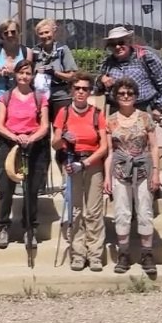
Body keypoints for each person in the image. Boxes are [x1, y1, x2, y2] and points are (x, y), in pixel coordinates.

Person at [94, 26, 162, 185]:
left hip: (142, 108)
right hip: (116, 110)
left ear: (129, 41)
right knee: (117, 150)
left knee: (144, 150)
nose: (118, 46)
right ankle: (118, 187)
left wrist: (160, 107)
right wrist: (101, 80)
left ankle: (150, 186)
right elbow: (96, 89)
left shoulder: (145, 57)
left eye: (121, 42)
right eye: (113, 44)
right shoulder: (107, 63)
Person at [52, 73, 109, 272]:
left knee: (93, 211)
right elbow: (55, 142)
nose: (81, 92)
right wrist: (63, 138)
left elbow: (103, 147)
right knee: (75, 211)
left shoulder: (97, 114)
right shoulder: (64, 113)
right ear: (72, 91)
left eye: (85, 89)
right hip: (71, 161)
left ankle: (94, 255)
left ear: (90, 91)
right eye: (77, 88)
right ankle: (78, 254)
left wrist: (85, 164)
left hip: (92, 164)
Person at [103, 77, 159, 277]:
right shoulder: (110, 120)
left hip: (143, 169)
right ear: (116, 97)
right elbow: (109, 151)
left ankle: (147, 253)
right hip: (120, 169)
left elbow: (153, 146)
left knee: (144, 211)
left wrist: (156, 173)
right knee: (122, 212)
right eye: (121, 94)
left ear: (135, 96)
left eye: (129, 93)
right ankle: (124, 253)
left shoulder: (145, 117)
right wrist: (107, 177)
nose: (125, 96)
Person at [0, 60, 50, 249]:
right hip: (10, 144)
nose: (24, 76)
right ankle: (2, 226)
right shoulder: (5, 97)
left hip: (34, 146)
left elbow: (45, 125)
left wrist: (30, 138)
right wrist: (16, 137)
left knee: (31, 190)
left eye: (28, 73)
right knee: (6, 189)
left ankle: (29, 228)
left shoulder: (40, 98)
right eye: (21, 73)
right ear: (15, 74)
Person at [0, 18, 31, 193]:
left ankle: (18, 178)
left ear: (18, 33)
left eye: (13, 32)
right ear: (1, 35)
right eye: (6, 32)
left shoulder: (26, 52)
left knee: (20, 139)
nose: (10, 35)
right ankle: (0, 181)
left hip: (20, 100)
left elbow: (29, 74)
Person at [29, 19, 79, 126]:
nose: (44, 36)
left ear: (54, 32)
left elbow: (72, 76)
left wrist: (55, 73)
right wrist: (36, 72)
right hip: (40, 97)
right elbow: (27, 74)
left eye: (47, 32)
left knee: (61, 131)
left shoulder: (63, 50)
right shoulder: (34, 51)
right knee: (41, 131)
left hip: (61, 96)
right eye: (41, 33)